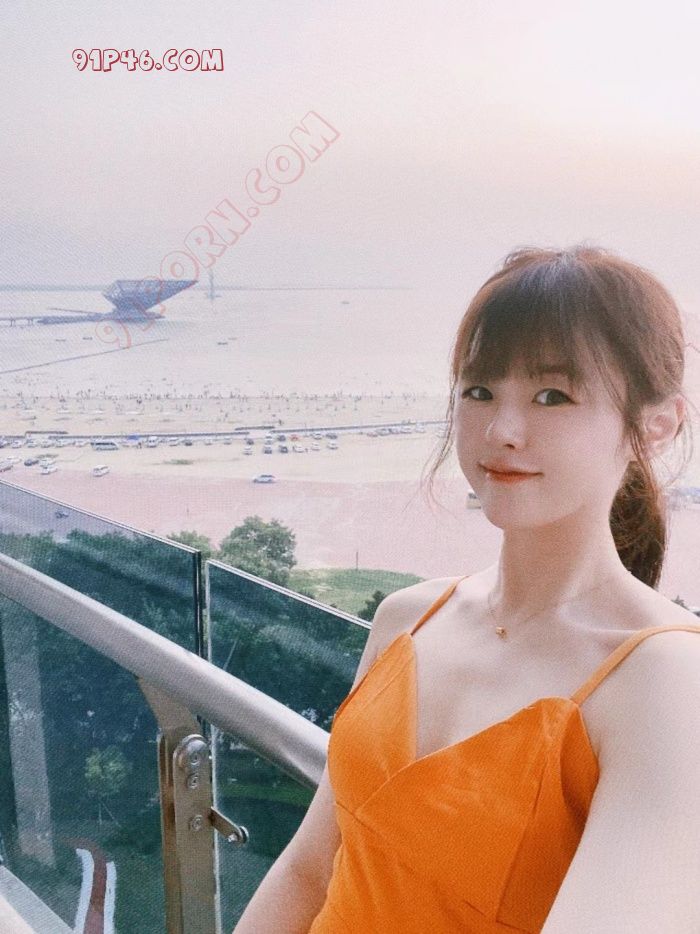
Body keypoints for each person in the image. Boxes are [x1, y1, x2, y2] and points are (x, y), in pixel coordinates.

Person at [233, 246, 700, 933]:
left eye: (552, 396)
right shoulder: (408, 618)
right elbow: (310, 870)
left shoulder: (663, 679)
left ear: (656, 425)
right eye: (479, 390)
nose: (500, 431)